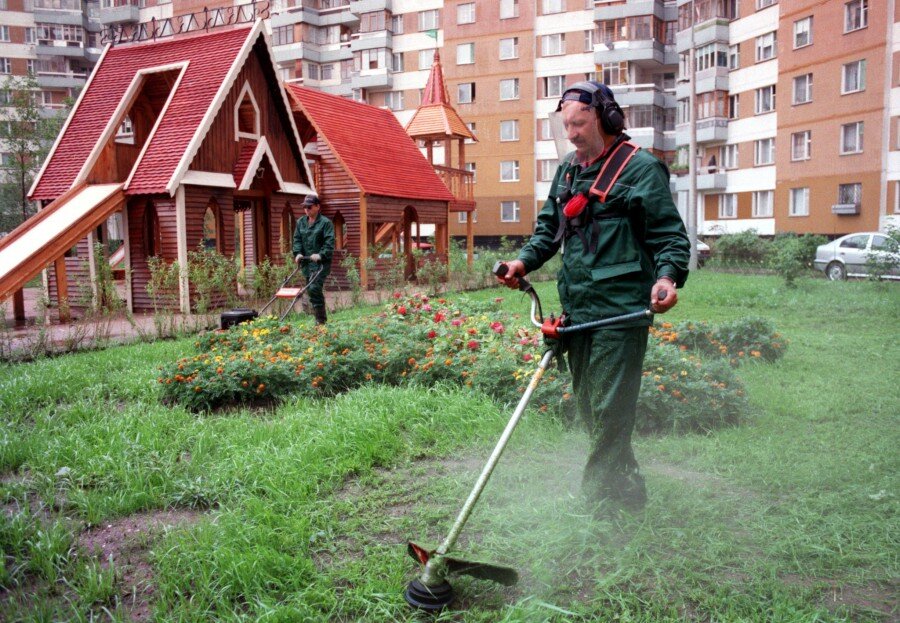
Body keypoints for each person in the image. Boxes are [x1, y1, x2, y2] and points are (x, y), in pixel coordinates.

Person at [497, 81, 690, 514]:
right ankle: (628, 488)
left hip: (621, 310)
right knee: (591, 407)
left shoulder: (640, 169)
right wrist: (522, 264)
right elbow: (549, 230)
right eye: (566, 125)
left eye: (580, 124)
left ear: (606, 119)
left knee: (609, 407)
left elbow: (669, 237)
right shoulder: (568, 170)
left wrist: (667, 278)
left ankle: (595, 506)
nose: (572, 133)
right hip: (579, 307)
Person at [292, 194, 335, 325]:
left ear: (317, 206)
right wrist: (298, 253)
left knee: (314, 288)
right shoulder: (301, 222)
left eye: (309, 207)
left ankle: (320, 321)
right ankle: (319, 318)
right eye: (305, 207)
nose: (307, 210)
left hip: (321, 263)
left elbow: (329, 242)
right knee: (311, 289)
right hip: (306, 263)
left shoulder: (326, 223)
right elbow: (297, 240)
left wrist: (321, 254)